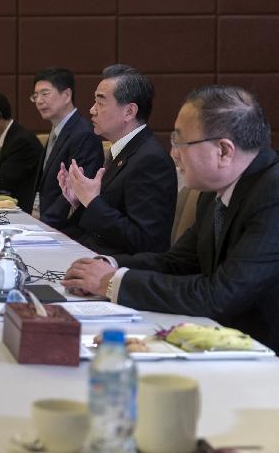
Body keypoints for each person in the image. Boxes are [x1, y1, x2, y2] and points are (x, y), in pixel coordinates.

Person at [63, 85, 279, 352]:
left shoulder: (272, 194)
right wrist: (109, 266)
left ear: (223, 151)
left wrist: (112, 282)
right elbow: (176, 262)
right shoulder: (213, 193)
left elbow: (221, 295)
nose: (173, 153)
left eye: (180, 142)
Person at [57, 64, 176, 255]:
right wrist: (80, 201)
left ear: (129, 111)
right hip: (95, 254)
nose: (92, 110)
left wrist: (92, 201)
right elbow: (110, 214)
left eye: (100, 102)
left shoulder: (151, 160)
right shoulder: (122, 150)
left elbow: (144, 241)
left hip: (120, 266)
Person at [30, 68, 104, 226]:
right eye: (35, 96)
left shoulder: (83, 134)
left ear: (67, 95)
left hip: (66, 228)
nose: (39, 101)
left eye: (45, 93)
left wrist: (45, 225)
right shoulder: (57, 130)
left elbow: (75, 190)